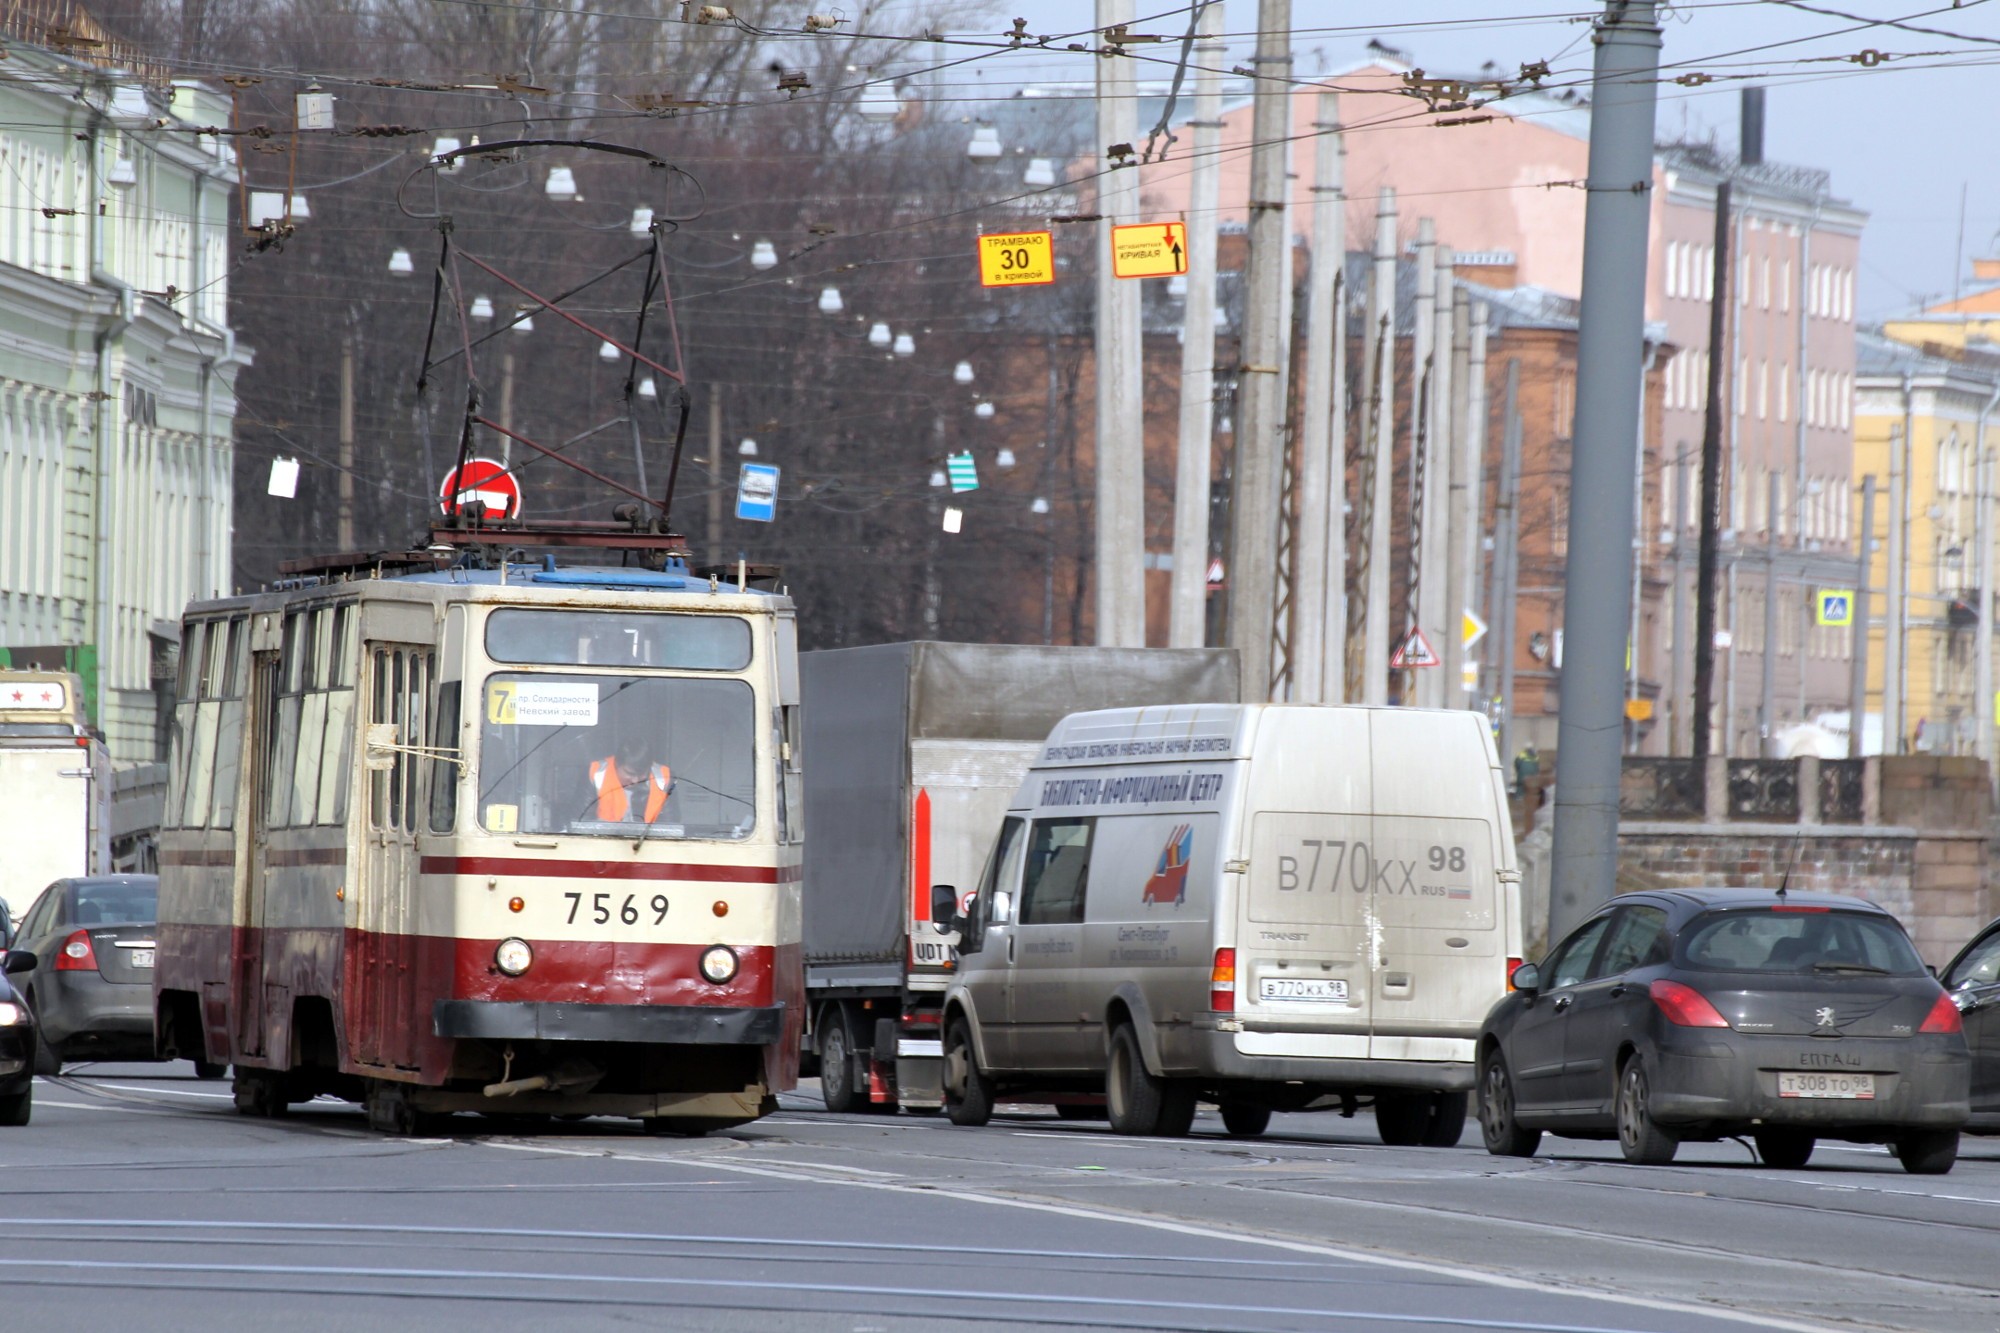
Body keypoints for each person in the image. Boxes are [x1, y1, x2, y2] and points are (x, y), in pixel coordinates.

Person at [587, 731, 673, 824]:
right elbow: (581, 825)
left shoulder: (664, 779)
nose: (635, 780)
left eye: (641, 774)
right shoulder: (595, 774)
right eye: (629, 773)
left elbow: (671, 828)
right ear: (616, 764)